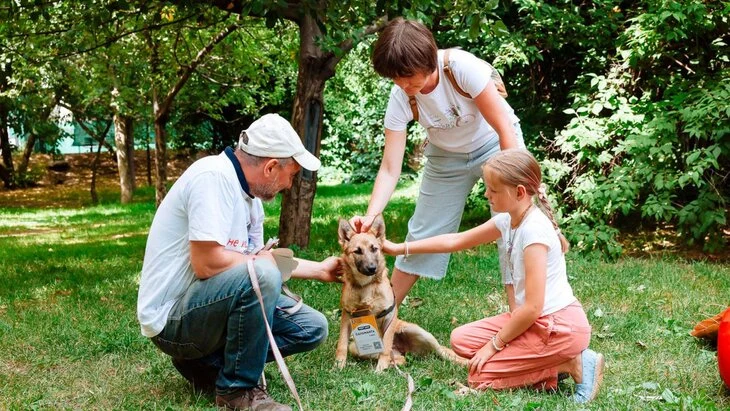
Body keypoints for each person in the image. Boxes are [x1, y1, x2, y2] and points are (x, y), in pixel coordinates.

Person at [137, 113, 341, 411]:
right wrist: (261, 263)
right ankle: (236, 392)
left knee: (311, 327)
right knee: (261, 274)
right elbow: (207, 264)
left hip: (206, 310)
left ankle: (206, 364)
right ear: (271, 167)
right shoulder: (213, 178)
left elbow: (258, 262)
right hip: (173, 321)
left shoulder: (251, 200)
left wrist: (321, 269)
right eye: (292, 175)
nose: (289, 185)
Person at [382, 149, 605, 403]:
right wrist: (400, 248)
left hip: (558, 327)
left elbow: (533, 307)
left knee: (479, 377)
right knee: (460, 340)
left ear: (519, 192)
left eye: (493, 190)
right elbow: (456, 240)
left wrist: (494, 346)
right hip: (533, 322)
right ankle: (544, 360)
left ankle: (572, 362)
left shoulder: (534, 232)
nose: (487, 195)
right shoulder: (507, 220)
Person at [349, 17, 525, 307]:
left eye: (407, 76)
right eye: (395, 78)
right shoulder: (401, 97)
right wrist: (370, 216)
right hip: (446, 157)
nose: (403, 85)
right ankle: (382, 312)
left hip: (496, 145)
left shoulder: (460, 67)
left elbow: (505, 130)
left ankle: (521, 316)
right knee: (422, 232)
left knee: (512, 226)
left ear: (428, 60)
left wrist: (512, 182)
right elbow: (391, 167)